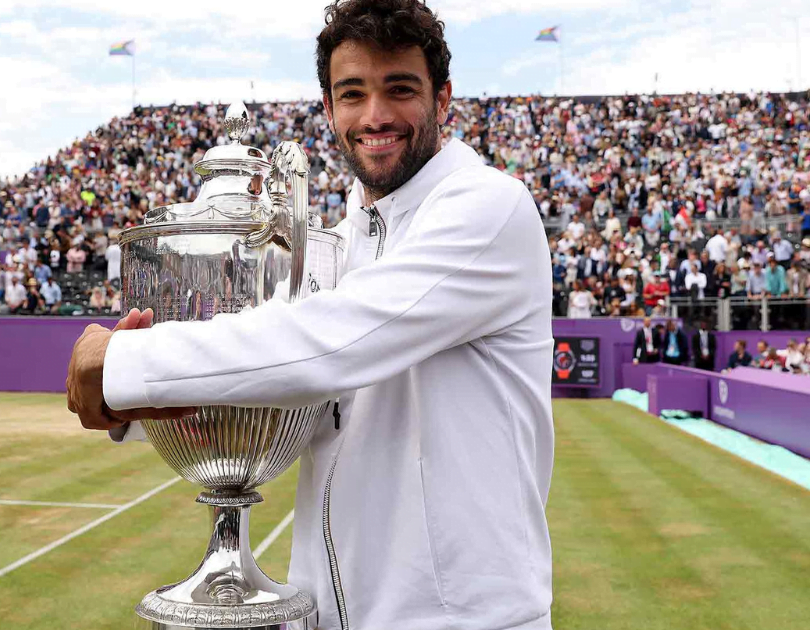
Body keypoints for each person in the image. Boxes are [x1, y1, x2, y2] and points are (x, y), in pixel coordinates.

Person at [66, 3, 555, 629]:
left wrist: (128, 363)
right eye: (352, 93)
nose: (374, 115)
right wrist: (139, 409)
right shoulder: (341, 240)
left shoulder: (490, 207)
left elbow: (330, 345)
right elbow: (283, 396)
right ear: (328, 108)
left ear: (443, 98)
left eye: (399, 89)